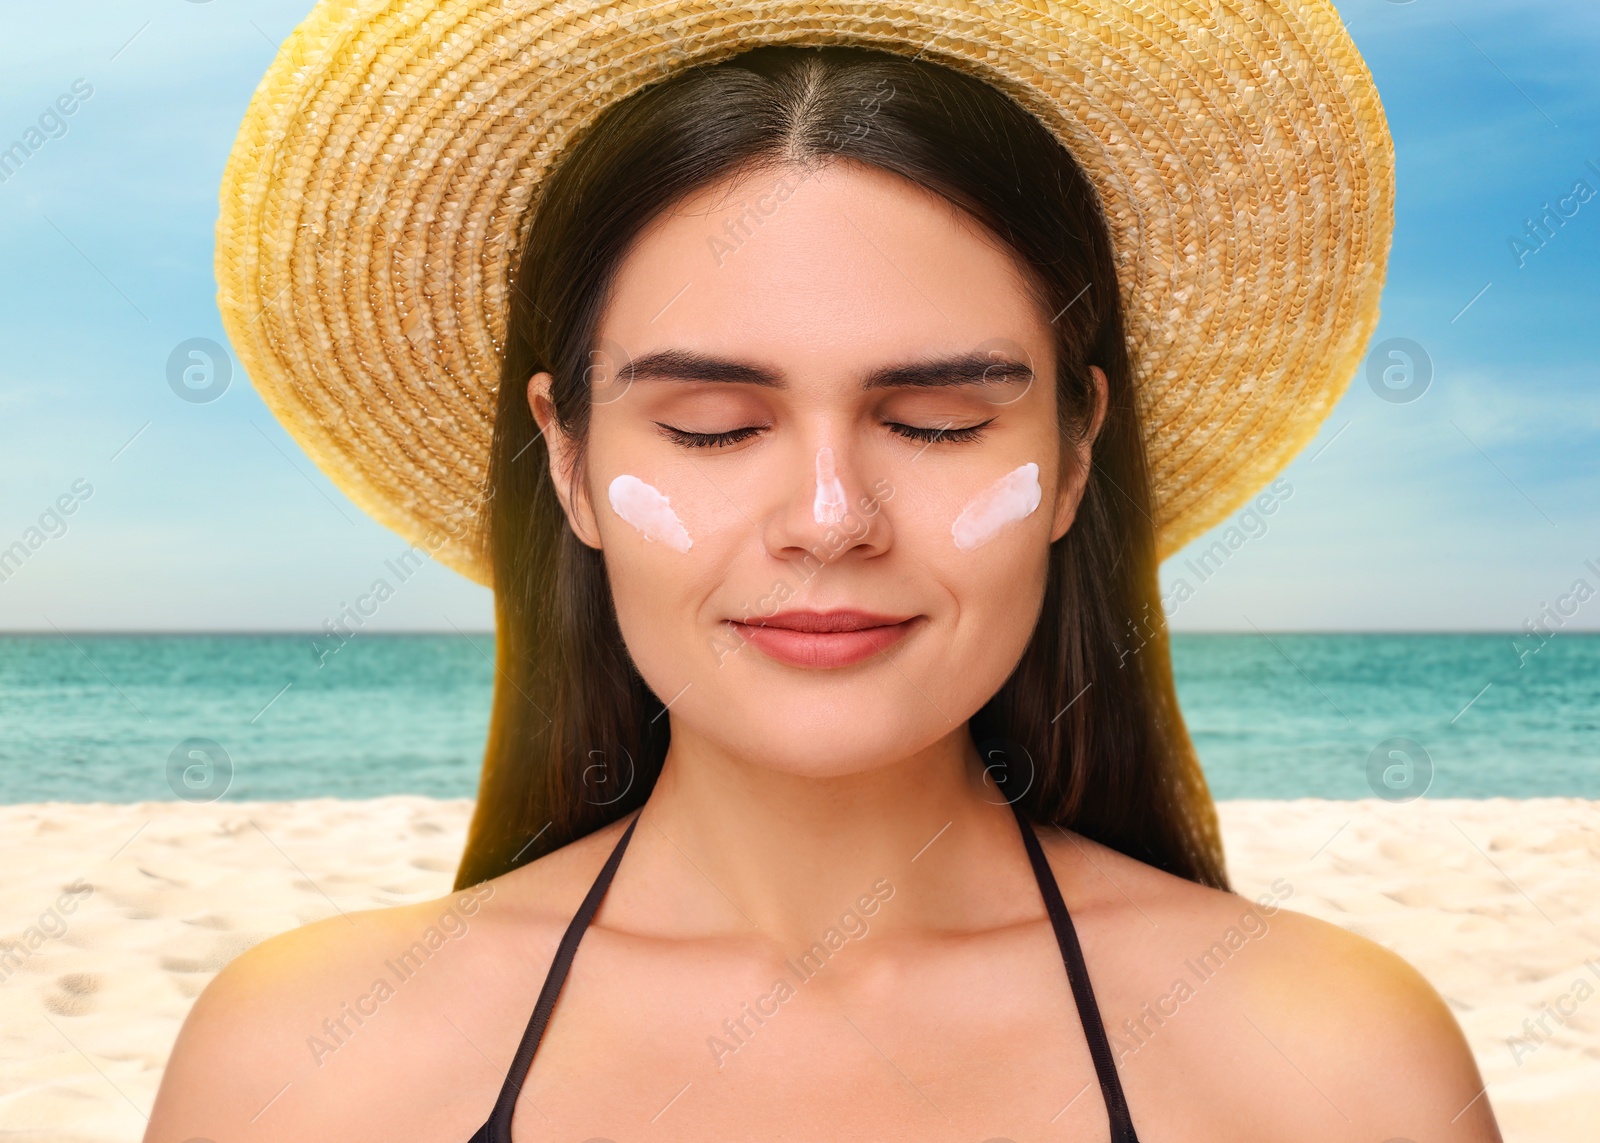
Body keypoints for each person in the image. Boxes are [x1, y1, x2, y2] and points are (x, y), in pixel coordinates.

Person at [149, 5, 1501, 1142]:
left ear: (1077, 454)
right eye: (712, 429)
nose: (831, 517)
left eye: (937, 423)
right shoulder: (298, 1071)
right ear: (564, 461)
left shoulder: (1338, 1073)